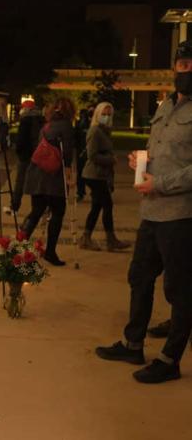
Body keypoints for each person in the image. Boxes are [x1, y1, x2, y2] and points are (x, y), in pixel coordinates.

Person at [95, 39, 192, 383]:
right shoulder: (166, 106)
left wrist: (160, 183)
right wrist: (142, 159)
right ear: (174, 67)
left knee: (180, 291)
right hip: (151, 213)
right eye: (183, 65)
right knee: (139, 277)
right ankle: (132, 343)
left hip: (181, 216)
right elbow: (160, 148)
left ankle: (169, 360)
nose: (187, 71)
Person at [22, 97, 75, 266]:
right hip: (54, 178)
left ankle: (18, 248)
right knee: (58, 213)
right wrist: (69, 176)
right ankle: (50, 252)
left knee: (36, 212)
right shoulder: (66, 126)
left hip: (37, 175)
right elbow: (66, 153)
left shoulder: (46, 126)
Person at [78, 102, 130, 252]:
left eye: (109, 114)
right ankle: (110, 239)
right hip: (94, 174)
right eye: (104, 114)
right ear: (97, 114)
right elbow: (92, 155)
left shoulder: (104, 131)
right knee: (107, 205)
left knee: (97, 206)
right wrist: (111, 159)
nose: (106, 117)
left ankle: (87, 237)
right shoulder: (95, 131)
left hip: (100, 174)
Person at [6, 99, 44, 215]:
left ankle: (14, 207)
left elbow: (20, 140)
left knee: (20, 182)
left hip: (25, 156)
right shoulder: (41, 120)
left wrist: (19, 152)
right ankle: (38, 209)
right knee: (37, 182)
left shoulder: (25, 121)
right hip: (38, 155)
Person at [74, 107, 92, 202]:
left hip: (84, 151)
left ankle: (81, 192)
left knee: (82, 173)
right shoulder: (81, 125)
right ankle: (81, 192)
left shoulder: (90, 124)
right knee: (82, 173)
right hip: (82, 151)